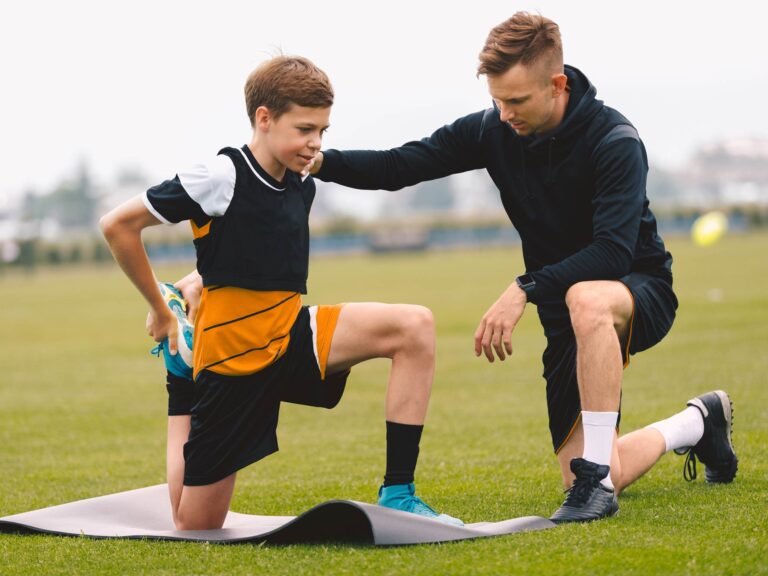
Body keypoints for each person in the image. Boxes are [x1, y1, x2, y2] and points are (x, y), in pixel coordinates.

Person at [307, 13, 738, 523]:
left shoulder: (615, 140)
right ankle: (698, 422)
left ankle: (595, 484)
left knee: (587, 296)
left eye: (516, 100)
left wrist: (524, 288)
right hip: (564, 316)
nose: (504, 112)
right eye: (497, 99)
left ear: (557, 85)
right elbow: (402, 164)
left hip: (636, 292)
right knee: (596, 466)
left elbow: (612, 255)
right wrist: (317, 161)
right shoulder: (494, 129)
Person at [99, 55, 462, 530]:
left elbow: (248, 248)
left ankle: (398, 492)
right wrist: (162, 313)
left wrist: (198, 278)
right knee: (196, 524)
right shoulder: (219, 175)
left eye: (323, 131)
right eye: (305, 129)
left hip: (288, 333)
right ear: (264, 119)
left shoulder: (301, 178)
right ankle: (180, 375)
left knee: (413, 325)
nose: (314, 143)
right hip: (232, 357)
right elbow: (117, 226)